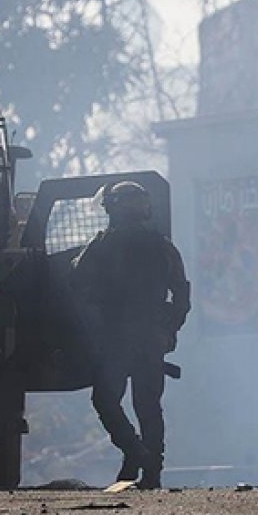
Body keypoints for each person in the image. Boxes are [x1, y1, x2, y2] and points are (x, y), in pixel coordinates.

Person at [71, 181, 190, 489]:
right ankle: (151, 472)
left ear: (113, 209)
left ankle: (134, 451)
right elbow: (181, 292)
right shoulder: (161, 245)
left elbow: (77, 282)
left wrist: (94, 325)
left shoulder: (102, 244)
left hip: (117, 338)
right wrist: (169, 329)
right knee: (148, 405)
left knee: (105, 399)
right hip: (150, 337)